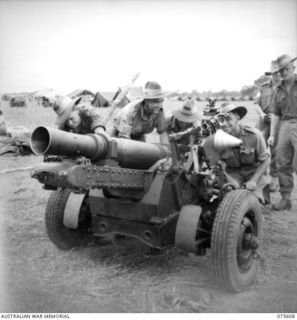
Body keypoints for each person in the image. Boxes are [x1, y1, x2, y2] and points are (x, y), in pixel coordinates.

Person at [205, 103, 270, 202]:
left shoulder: (254, 135)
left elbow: (266, 160)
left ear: (237, 118)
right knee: (228, 200)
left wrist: (254, 181)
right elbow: (216, 166)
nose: (224, 124)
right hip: (232, 173)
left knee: (253, 202)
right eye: (221, 120)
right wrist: (230, 179)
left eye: (228, 119)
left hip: (253, 172)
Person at [268, 54, 297, 211]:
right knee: (282, 162)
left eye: (286, 69)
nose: (283, 73)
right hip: (285, 126)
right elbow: (275, 114)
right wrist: (272, 135)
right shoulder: (277, 90)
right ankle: (286, 199)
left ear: (293, 68)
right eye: (281, 71)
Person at [254, 60, 281, 192]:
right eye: (273, 73)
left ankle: (274, 179)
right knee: (256, 147)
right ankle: (260, 177)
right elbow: (256, 104)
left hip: (278, 123)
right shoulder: (263, 87)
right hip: (263, 121)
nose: (275, 75)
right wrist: (261, 115)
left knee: (275, 152)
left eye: (277, 72)